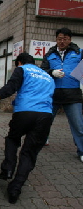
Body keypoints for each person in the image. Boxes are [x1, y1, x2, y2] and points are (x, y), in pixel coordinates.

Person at [0, 53, 55, 204]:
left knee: (12, 139)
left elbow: (12, 86)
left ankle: (8, 168)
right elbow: (42, 95)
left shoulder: (22, 69)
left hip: (24, 113)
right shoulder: (48, 76)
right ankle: (15, 189)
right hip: (45, 116)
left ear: (19, 62)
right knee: (29, 153)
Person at [41, 27, 83, 162]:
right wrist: (51, 72)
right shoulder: (49, 55)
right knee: (45, 120)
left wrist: (77, 77)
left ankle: (81, 151)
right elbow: (43, 70)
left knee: (78, 125)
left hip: (73, 95)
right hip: (53, 94)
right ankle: (42, 140)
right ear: (56, 39)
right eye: (59, 39)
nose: (62, 41)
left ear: (70, 40)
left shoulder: (79, 53)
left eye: (65, 39)